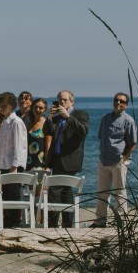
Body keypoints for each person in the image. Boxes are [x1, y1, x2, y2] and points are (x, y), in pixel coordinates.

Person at [43, 90, 90, 227]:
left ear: (72, 101)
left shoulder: (80, 115)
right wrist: (50, 116)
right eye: (60, 100)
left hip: (70, 159)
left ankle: (52, 225)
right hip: (57, 159)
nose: (62, 103)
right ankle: (67, 225)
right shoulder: (57, 117)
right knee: (65, 192)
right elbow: (47, 131)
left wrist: (69, 117)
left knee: (54, 190)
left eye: (65, 100)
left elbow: (83, 131)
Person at [94, 92, 138, 227]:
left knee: (120, 193)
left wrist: (123, 159)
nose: (118, 103)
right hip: (104, 160)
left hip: (118, 161)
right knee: (102, 192)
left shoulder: (128, 120)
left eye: (122, 101)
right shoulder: (105, 118)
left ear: (126, 105)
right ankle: (100, 221)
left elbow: (133, 143)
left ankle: (120, 221)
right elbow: (101, 137)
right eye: (116, 100)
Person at [0, 92, 27, 227]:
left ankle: (15, 222)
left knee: (14, 194)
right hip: (4, 165)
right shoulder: (5, 122)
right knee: (6, 194)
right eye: (0, 105)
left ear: (11, 106)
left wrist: (15, 167)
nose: (1, 107)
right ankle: (8, 221)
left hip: (13, 166)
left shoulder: (16, 122)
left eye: (4, 105)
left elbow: (19, 146)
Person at [25, 97, 48, 170]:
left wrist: (46, 166)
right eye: (36, 107)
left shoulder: (46, 124)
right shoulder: (29, 124)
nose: (37, 109)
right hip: (27, 162)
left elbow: (48, 147)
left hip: (39, 164)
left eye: (40, 108)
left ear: (44, 110)